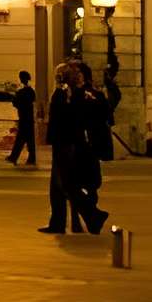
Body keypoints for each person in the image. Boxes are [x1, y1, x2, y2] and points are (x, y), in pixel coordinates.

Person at [40, 59, 107, 235]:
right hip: (69, 141)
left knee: (66, 185)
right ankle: (59, 222)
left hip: (64, 143)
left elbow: (59, 120)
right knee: (57, 187)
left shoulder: (63, 94)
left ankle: (93, 215)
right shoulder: (74, 93)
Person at [5, 72, 38, 166]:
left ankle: (14, 157)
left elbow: (15, 102)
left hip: (24, 117)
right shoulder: (31, 91)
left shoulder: (21, 92)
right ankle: (31, 157)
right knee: (29, 139)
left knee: (21, 138)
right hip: (29, 117)